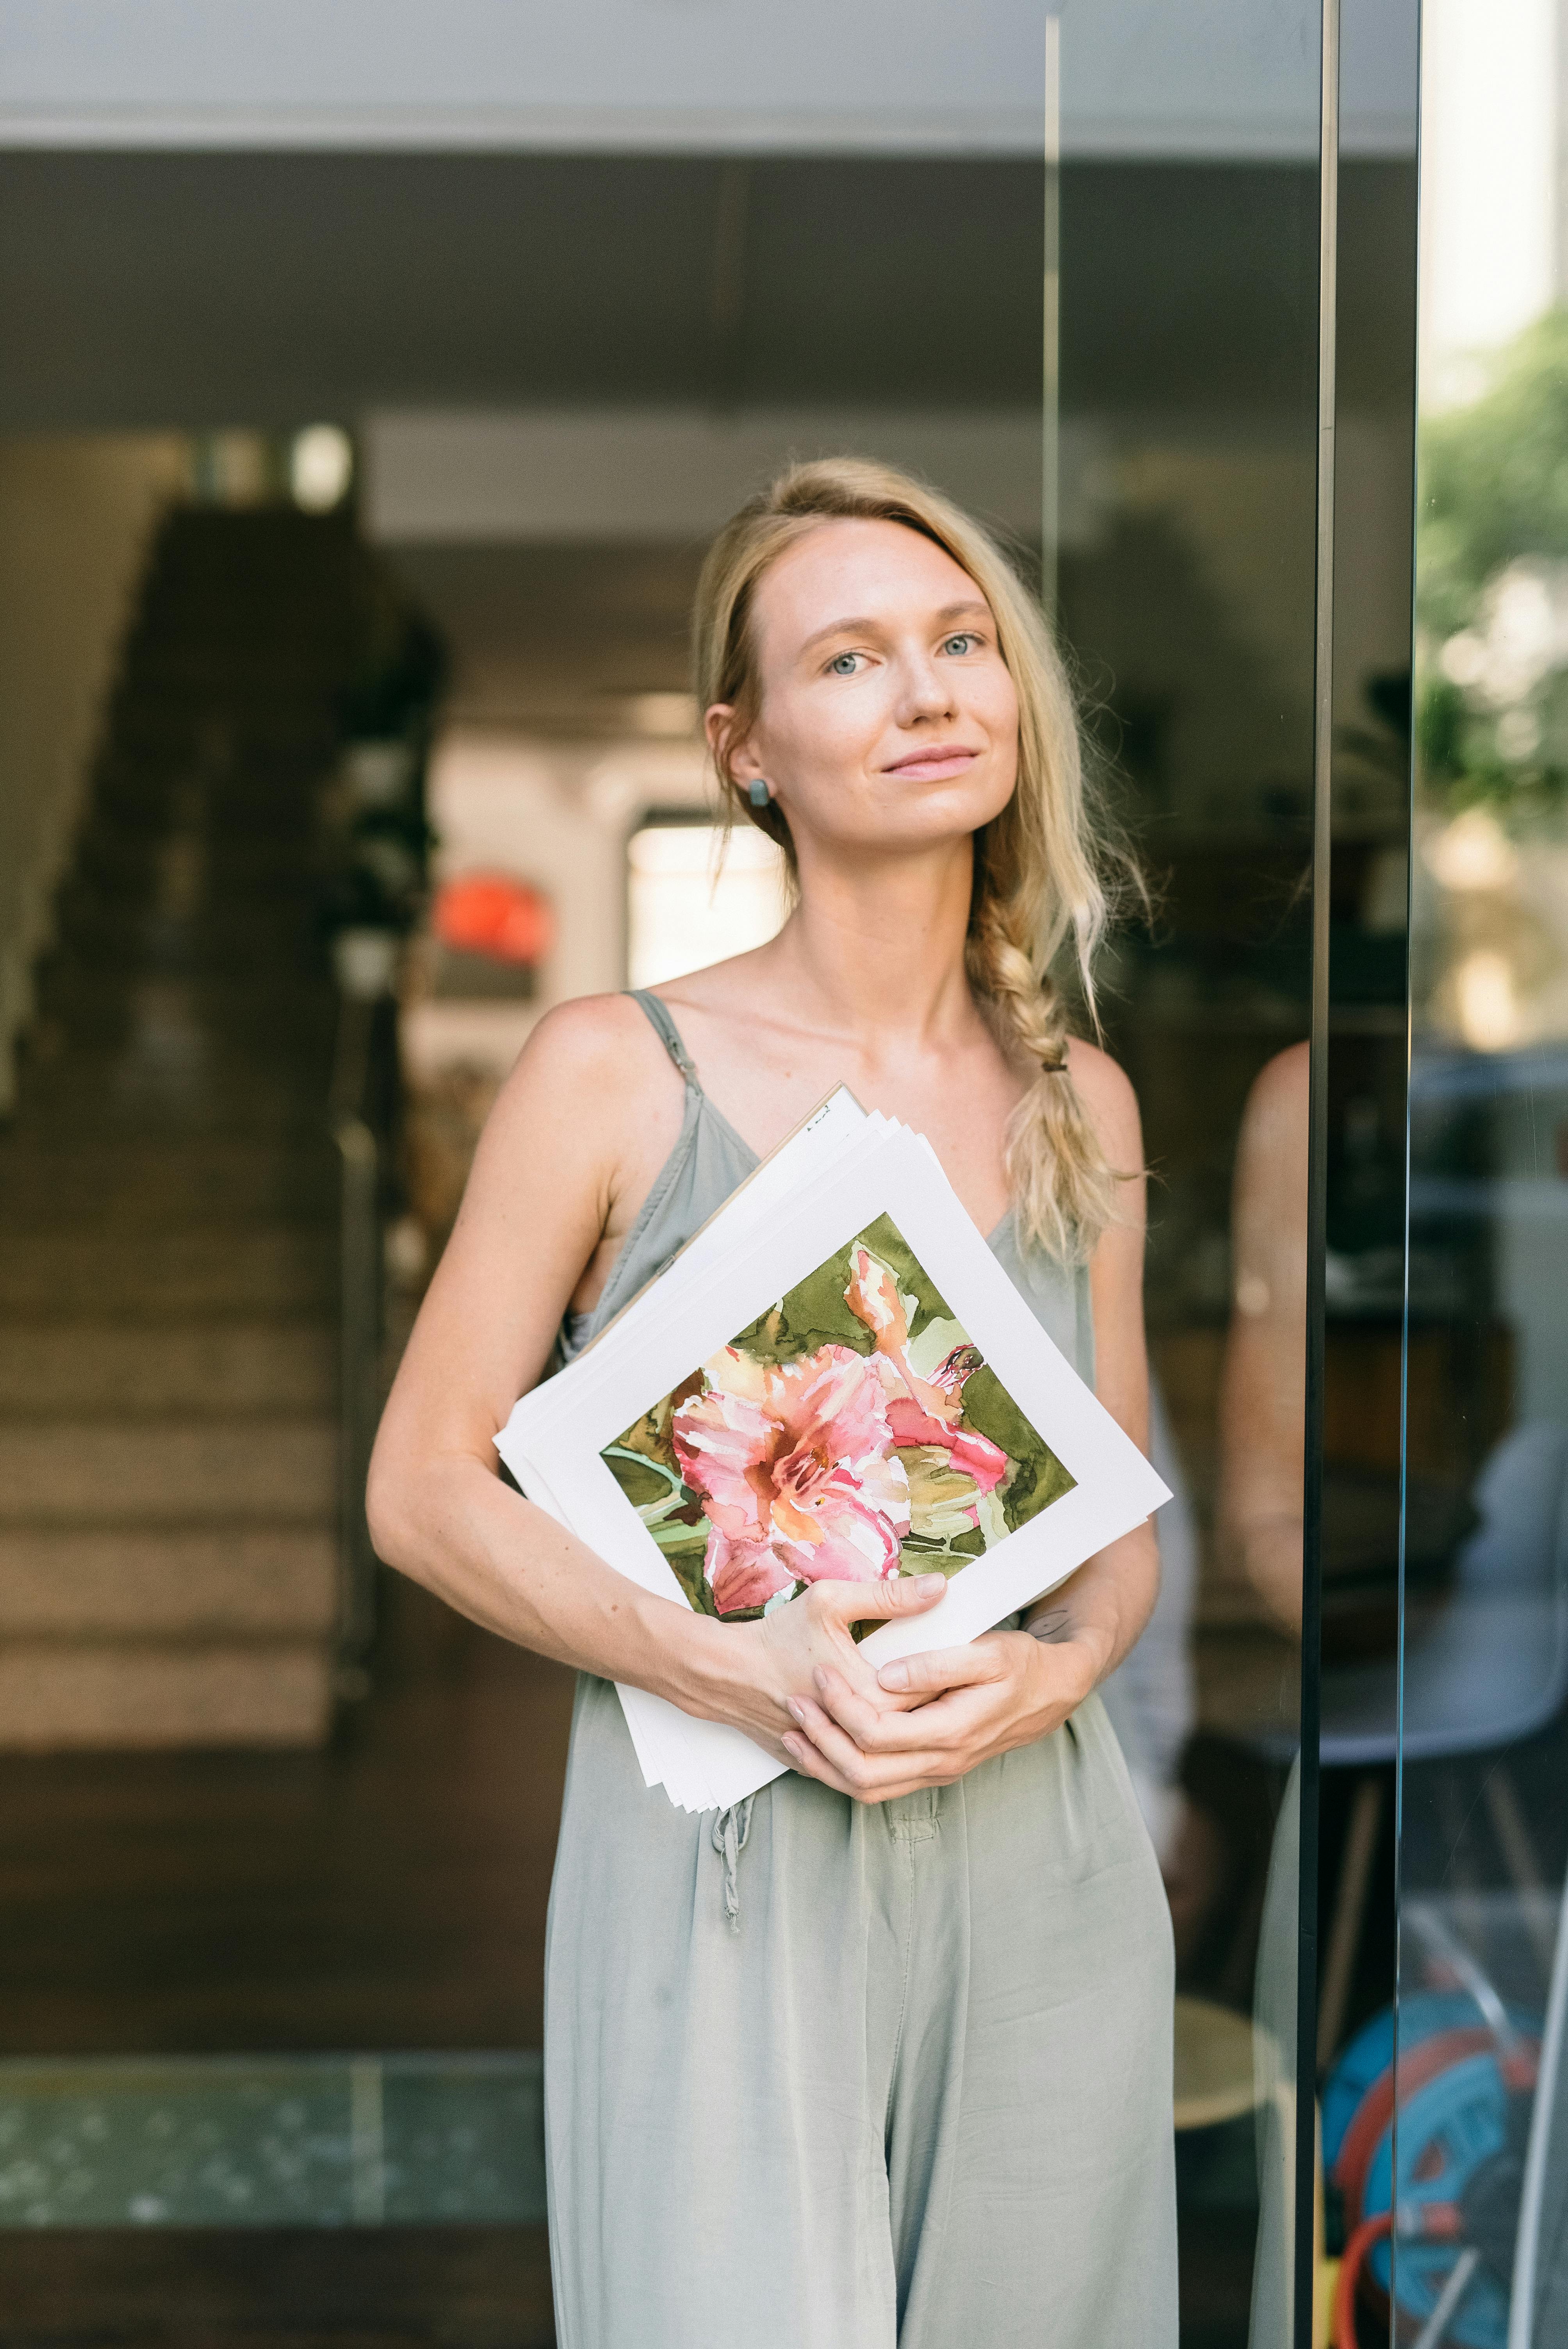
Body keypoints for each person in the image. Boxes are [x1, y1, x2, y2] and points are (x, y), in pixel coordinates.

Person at [368, 458, 1177, 2347]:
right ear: (743, 747)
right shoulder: (609, 1072)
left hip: (1036, 1848)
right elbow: (420, 1491)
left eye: (961, 640)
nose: (927, 691)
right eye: (850, 658)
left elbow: (1117, 1531)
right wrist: (741, 1670)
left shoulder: (1090, 1104)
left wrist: (1062, 1673)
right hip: (723, 1854)